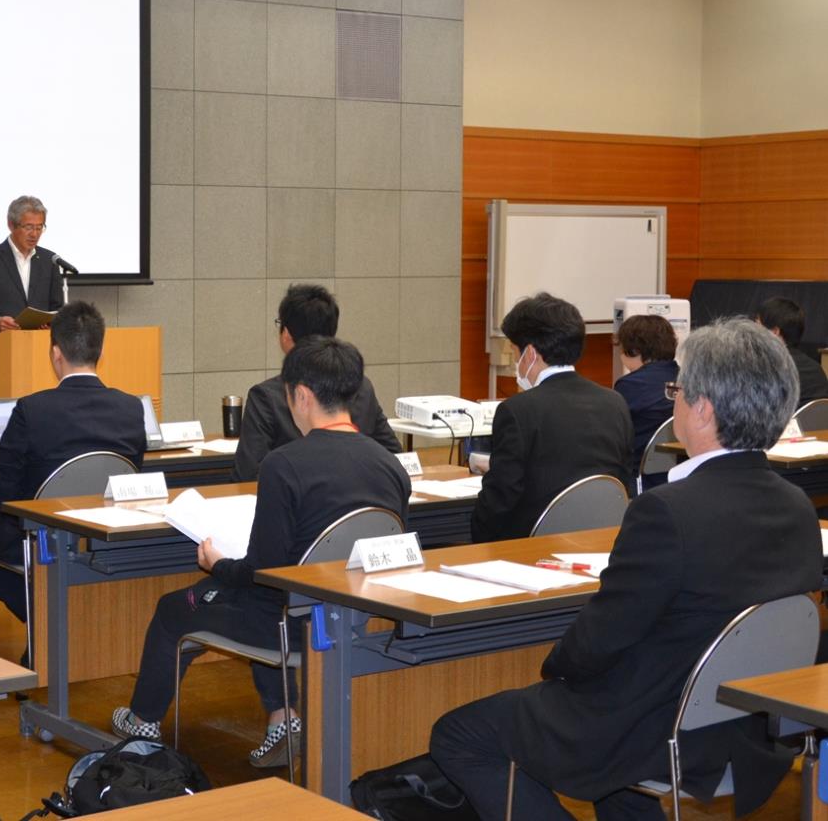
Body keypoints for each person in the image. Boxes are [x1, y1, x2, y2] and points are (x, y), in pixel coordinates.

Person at [430, 318, 822, 820]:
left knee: (460, 735)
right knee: (609, 773)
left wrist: (554, 669)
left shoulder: (668, 511)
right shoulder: (797, 508)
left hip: (648, 729)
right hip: (741, 731)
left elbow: (599, 639)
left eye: (676, 390)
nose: (671, 399)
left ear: (702, 409)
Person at [112, 336, 412, 768]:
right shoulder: (391, 465)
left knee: (175, 608)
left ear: (302, 395)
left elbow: (265, 574)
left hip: (283, 622)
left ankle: (141, 723)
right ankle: (283, 716)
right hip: (353, 617)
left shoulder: (284, 464)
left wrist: (219, 565)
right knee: (268, 597)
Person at [0, 301, 146, 622]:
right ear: (100, 352)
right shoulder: (131, 408)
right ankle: (56, 614)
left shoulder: (32, 409)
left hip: (37, 539)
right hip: (101, 538)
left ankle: (43, 619)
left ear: (56, 354)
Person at [471, 293, 632, 542]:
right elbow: (623, 483)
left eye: (515, 352)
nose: (515, 361)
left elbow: (500, 501)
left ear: (531, 354)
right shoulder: (614, 402)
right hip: (602, 542)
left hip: (530, 548)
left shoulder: (517, 411)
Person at [234, 284, 399, 481]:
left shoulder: (265, 396)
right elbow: (396, 456)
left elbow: (248, 475)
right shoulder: (361, 385)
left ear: (286, 334)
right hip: (359, 499)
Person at [0, 195, 68, 337]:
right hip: (2, 346)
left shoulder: (50, 260)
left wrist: (50, 325)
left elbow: (57, 308)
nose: (34, 234)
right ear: (11, 225)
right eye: (29, 227)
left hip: (39, 346)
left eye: (39, 227)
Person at [613, 314, 679, 485]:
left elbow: (616, 438)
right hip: (681, 474)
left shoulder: (629, 385)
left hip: (639, 478)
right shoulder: (689, 379)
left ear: (633, 350)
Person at [755, 295, 828, 409]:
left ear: (775, 332)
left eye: (757, 325)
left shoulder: (767, 369)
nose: (752, 331)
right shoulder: (816, 369)